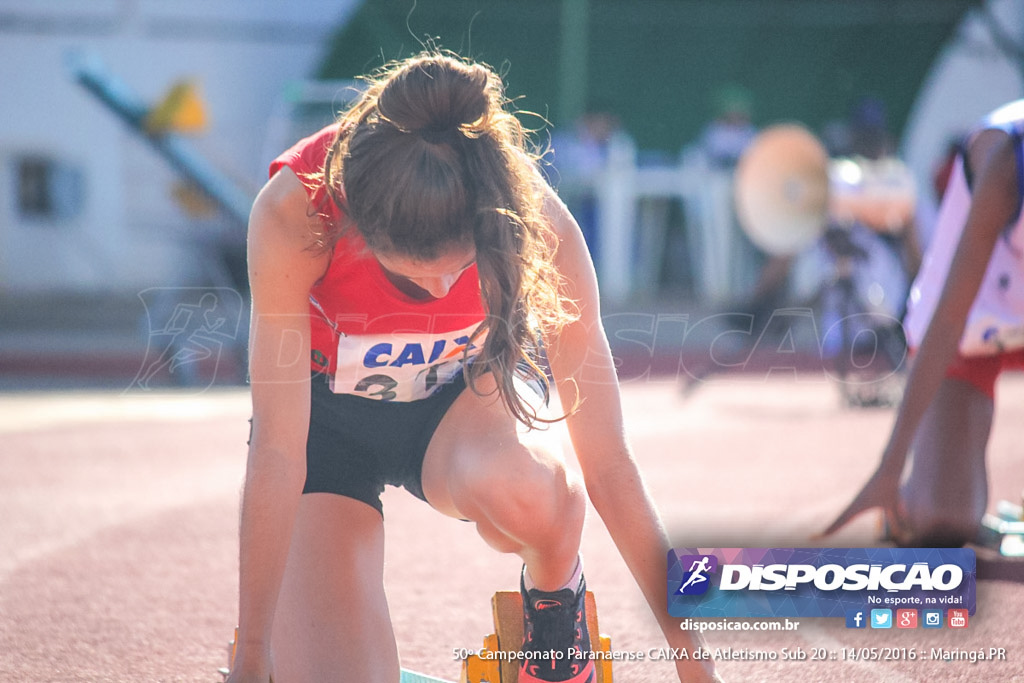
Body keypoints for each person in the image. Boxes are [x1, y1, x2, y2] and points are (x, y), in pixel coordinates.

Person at [226, 51, 720, 683]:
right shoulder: (295, 213)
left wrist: (694, 661)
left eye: (457, 270)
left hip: (463, 406)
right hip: (326, 431)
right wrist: (252, 655)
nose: (437, 294)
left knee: (540, 496)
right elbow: (275, 447)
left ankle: (554, 615)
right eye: (409, 276)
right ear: (357, 225)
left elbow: (609, 465)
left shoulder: (533, 220)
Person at [823, 99, 1024, 547]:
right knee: (940, 522)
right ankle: (925, 495)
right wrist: (889, 468)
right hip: (976, 318)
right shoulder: (1008, 159)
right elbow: (949, 317)